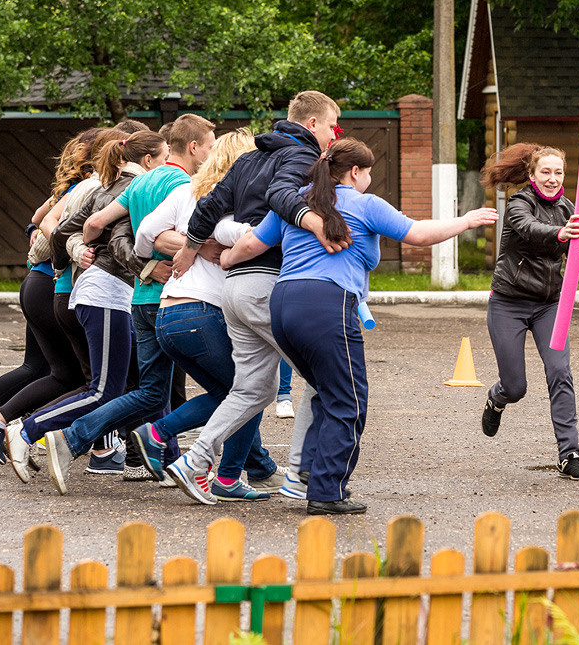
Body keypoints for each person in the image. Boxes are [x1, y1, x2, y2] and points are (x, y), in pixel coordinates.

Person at [212, 138, 498, 514]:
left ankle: (310, 474)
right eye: (368, 173)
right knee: (348, 401)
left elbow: (252, 244)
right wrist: (466, 220)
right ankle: (326, 491)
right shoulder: (364, 204)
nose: (369, 179)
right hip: (326, 305)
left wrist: (227, 259)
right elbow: (418, 234)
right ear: (355, 172)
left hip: (282, 303)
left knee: (326, 392)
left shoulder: (298, 200)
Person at [163, 91, 344, 504]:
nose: (335, 134)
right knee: (324, 377)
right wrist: (312, 221)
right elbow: (283, 197)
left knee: (253, 390)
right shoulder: (300, 159)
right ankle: (301, 477)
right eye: (333, 125)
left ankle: (193, 462)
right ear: (312, 124)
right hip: (266, 283)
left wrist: (190, 249)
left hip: (234, 289)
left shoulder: (248, 160)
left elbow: (208, 207)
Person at [40, 115, 221, 495]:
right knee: (230, 388)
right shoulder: (179, 183)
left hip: (139, 297)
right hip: (171, 297)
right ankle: (224, 465)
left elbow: (106, 226)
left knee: (152, 391)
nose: (211, 150)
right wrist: (196, 250)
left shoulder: (140, 183)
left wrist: (142, 264)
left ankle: (90, 442)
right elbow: (167, 235)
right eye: (209, 143)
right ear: (192, 147)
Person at [127, 128, 279, 502]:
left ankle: (223, 471)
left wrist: (181, 248)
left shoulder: (187, 192)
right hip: (204, 312)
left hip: (167, 312)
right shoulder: (235, 206)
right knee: (252, 390)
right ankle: (171, 440)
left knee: (232, 392)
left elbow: (144, 236)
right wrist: (207, 245)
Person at [8, 131, 168, 482]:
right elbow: (94, 232)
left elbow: (63, 230)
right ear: (148, 161)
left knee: (126, 385)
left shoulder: (105, 188)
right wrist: (142, 266)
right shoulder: (132, 189)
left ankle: (159, 459)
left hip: (103, 293)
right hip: (106, 293)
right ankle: (25, 431)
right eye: (164, 157)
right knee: (103, 390)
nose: (167, 164)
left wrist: (75, 255)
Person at [0, 131, 97, 469]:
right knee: (67, 376)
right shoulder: (86, 189)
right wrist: (54, 243)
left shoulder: (69, 188)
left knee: (38, 368)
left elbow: (35, 219)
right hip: (48, 285)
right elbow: (43, 223)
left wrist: (38, 236)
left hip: (39, 284)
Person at [478, 143, 579, 481]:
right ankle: (496, 399)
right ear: (532, 174)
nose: (552, 179)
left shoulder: (570, 208)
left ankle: (569, 455)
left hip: (549, 306)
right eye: (545, 172)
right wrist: (560, 232)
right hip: (508, 303)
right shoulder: (518, 204)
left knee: (560, 372)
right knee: (516, 387)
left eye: (558, 172)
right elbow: (530, 230)